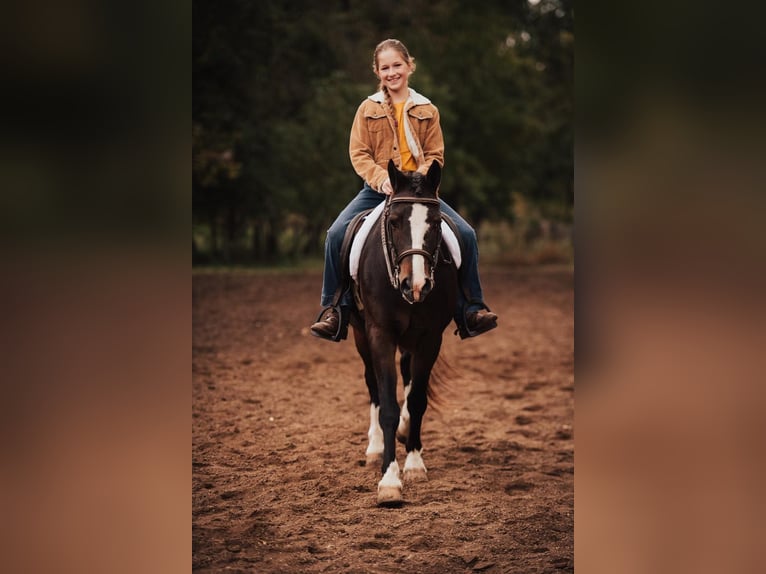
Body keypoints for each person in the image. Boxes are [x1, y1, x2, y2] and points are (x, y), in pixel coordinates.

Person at [311, 38, 497, 341]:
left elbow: (435, 154)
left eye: (397, 65)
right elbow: (359, 153)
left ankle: (470, 309)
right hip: (378, 189)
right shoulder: (367, 109)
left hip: (419, 191)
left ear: (409, 66)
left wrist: (419, 180)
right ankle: (336, 310)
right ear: (377, 71)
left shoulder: (428, 110)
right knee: (334, 235)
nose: (391, 72)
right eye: (385, 67)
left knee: (466, 234)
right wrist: (380, 178)